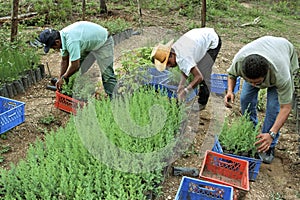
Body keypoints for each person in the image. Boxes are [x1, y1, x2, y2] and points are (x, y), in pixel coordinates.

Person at [224, 36, 299, 164]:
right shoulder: (240, 62)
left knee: (273, 107)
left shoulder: (281, 74)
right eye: (250, 81)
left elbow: (285, 108)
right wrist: (230, 91)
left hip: (283, 53)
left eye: (257, 82)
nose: (254, 85)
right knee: (245, 98)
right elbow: (231, 75)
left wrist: (272, 134)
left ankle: (268, 144)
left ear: (266, 74)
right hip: (264, 50)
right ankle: (251, 133)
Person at [37, 21, 117, 99]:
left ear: (57, 42)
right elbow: (64, 61)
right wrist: (61, 78)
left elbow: (75, 65)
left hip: (104, 43)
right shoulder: (62, 38)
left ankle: (116, 101)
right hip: (89, 45)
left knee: (107, 75)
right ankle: (71, 92)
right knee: (75, 73)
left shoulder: (71, 41)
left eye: (53, 47)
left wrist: (64, 78)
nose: (54, 49)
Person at [150, 28, 222, 111]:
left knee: (203, 72)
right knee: (196, 67)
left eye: (168, 63)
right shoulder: (176, 50)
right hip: (202, 37)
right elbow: (184, 66)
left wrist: (185, 91)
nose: (169, 66)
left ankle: (202, 103)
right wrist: (181, 84)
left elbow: (199, 77)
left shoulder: (183, 56)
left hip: (212, 41)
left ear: (172, 54)